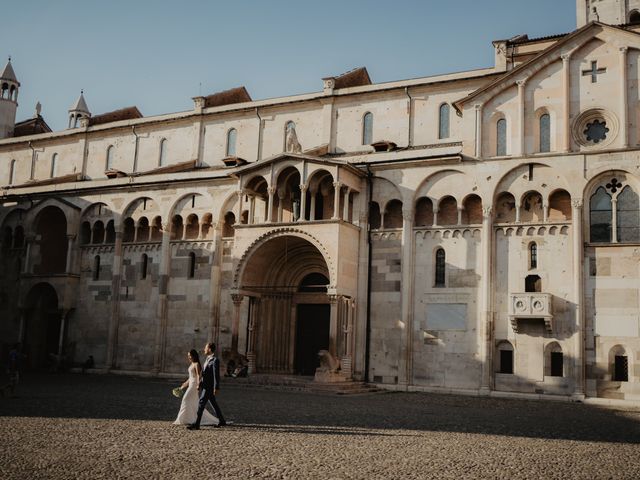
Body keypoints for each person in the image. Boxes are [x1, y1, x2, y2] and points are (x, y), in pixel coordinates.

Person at [173, 349, 218, 426]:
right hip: (191, 383)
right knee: (193, 402)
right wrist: (184, 385)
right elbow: (191, 377)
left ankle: (183, 419)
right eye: (188, 356)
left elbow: (198, 375)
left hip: (194, 385)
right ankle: (188, 419)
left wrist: (198, 385)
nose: (188, 357)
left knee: (185, 399)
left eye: (189, 356)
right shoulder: (192, 364)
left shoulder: (197, 364)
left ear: (193, 356)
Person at [187, 342, 226, 430]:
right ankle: (222, 420)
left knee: (201, 403)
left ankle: (197, 424)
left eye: (205, 348)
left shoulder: (215, 360)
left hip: (209, 387)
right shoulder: (207, 359)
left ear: (209, 349)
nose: (204, 349)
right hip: (205, 385)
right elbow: (203, 373)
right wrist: (199, 382)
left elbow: (216, 375)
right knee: (213, 403)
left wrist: (216, 387)